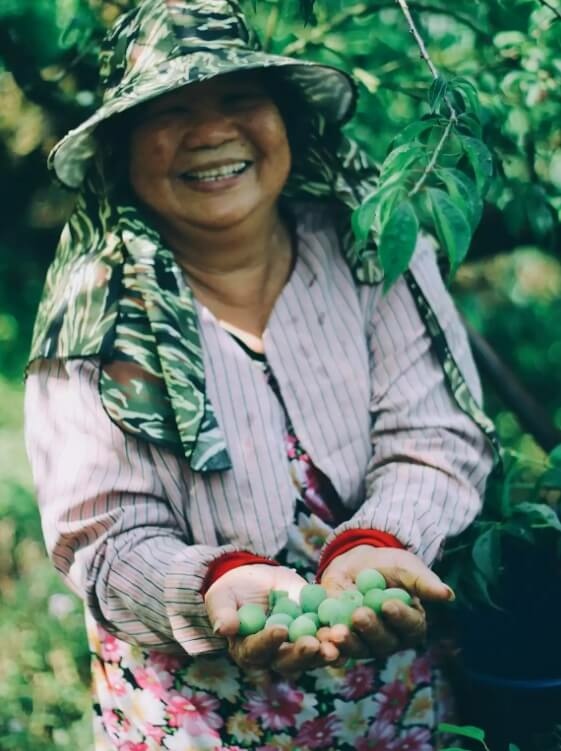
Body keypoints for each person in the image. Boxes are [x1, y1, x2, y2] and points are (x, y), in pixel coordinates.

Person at [24, 1, 498, 749]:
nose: (212, 131)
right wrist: (214, 585)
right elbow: (105, 538)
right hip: (195, 712)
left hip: (382, 685)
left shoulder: (372, 252)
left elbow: (434, 435)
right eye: (168, 109)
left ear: (286, 119)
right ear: (120, 149)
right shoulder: (97, 323)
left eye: (239, 97)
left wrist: (377, 540)